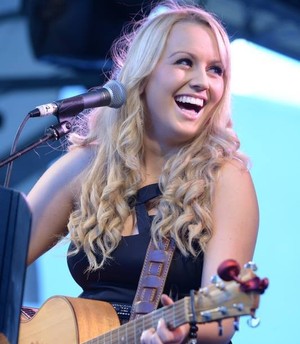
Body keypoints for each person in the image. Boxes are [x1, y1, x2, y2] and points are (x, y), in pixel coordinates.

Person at [26, 0, 259, 343]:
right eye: (185, 62)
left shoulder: (224, 178)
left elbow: (221, 318)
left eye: (216, 70)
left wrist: (185, 329)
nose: (202, 82)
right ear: (145, 73)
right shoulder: (86, 166)